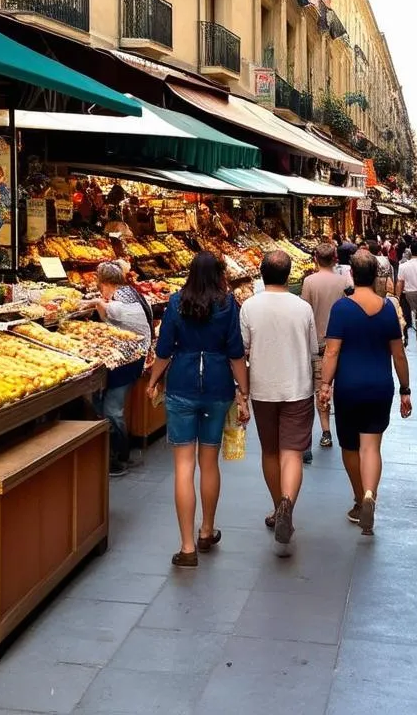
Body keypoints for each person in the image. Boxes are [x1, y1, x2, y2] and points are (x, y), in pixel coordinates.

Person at [147, 252, 250, 568]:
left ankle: (187, 546)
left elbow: (164, 349)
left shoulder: (177, 302)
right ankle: (206, 529)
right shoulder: (228, 304)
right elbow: (235, 352)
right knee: (209, 462)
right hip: (218, 386)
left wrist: (153, 380)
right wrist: (243, 392)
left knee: (183, 466)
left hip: (182, 386)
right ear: (220, 274)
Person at [318, 250, 412, 535]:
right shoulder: (387, 309)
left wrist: (325, 385)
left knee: (350, 446)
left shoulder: (341, 309)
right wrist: (405, 389)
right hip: (379, 386)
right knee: (371, 446)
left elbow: (332, 351)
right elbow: (399, 354)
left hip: (348, 387)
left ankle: (359, 499)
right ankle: (371, 493)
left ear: (351, 275)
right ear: (376, 276)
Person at [240, 250, 317, 556]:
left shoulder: (249, 306)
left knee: (270, 451)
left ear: (261, 273)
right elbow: (313, 350)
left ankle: (278, 506)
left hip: (262, 389)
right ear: (288, 276)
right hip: (298, 387)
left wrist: (240, 392)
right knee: (293, 453)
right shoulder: (303, 308)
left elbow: (242, 351)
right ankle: (288, 503)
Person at [93, 261, 153, 477]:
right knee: (103, 404)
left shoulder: (120, 301)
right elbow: (111, 319)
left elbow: (113, 312)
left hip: (129, 360)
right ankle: (110, 450)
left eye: (100, 284)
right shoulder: (129, 293)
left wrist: (97, 302)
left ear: (107, 283)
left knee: (112, 409)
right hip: (127, 357)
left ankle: (120, 456)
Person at [301, 242, 352, 455]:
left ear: (315, 258)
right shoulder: (344, 282)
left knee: (320, 387)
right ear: (335, 259)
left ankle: (325, 430)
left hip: (319, 344)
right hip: (343, 343)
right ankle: (346, 428)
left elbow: (305, 311)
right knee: (342, 386)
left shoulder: (309, 282)